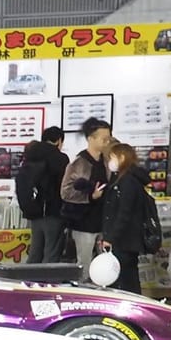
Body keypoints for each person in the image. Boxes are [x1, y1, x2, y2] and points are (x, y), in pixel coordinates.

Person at [97, 140, 153, 294]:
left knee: (126, 279)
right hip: (123, 239)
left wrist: (111, 238)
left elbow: (124, 213)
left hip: (125, 240)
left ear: (122, 158)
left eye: (112, 157)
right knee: (127, 278)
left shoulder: (128, 181)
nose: (110, 162)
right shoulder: (120, 179)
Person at [60, 116, 113, 273]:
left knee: (106, 263)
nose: (107, 142)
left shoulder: (108, 161)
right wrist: (90, 197)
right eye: (104, 139)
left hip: (104, 221)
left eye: (109, 138)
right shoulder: (78, 163)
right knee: (84, 263)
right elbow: (65, 192)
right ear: (91, 139)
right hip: (84, 223)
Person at [12, 126, 68, 263]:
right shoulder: (60, 158)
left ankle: (29, 276)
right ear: (59, 141)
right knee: (51, 253)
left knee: (35, 253)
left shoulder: (30, 156)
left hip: (34, 212)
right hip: (54, 212)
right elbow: (64, 186)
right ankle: (47, 277)